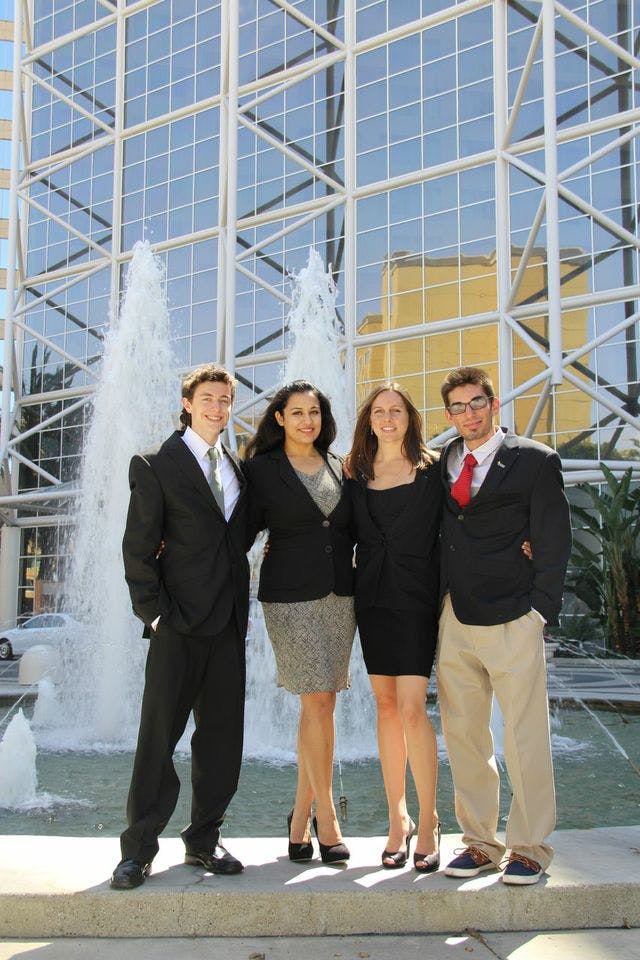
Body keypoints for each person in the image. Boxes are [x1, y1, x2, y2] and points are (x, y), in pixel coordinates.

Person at [110, 363, 250, 890]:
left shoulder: (237, 468)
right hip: (177, 627)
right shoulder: (155, 463)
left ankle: (204, 839)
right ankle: (138, 849)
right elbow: (138, 550)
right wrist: (156, 615)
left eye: (224, 400)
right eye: (207, 398)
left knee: (221, 742)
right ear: (188, 402)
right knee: (158, 739)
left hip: (228, 627)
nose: (217, 407)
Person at [437, 365, 571, 885]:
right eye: (457, 407)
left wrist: (540, 610)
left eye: (476, 403)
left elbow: (553, 540)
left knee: (523, 735)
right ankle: (479, 842)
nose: (467, 414)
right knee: (465, 734)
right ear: (447, 415)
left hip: (514, 614)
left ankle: (530, 846)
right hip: (455, 616)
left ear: (493, 404)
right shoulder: (441, 462)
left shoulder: (535, 461)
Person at [243, 381, 355, 865]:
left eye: (314, 412)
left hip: (338, 597)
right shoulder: (261, 470)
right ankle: (326, 820)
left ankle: (298, 820)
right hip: (290, 599)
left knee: (323, 702)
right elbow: (235, 530)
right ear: (280, 419)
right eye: (297, 412)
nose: (307, 420)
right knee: (316, 697)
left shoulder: (338, 465)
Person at [348, 383, 441, 872]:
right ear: (370, 420)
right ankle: (397, 819)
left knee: (411, 711)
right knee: (385, 708)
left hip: (417, 601)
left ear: (409, 418)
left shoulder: (434, 468)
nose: (388, 419)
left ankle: (429, 820)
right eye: (380, 412)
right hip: (373, 603)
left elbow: (464, 522)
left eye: (397, 411)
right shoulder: (355, 473)